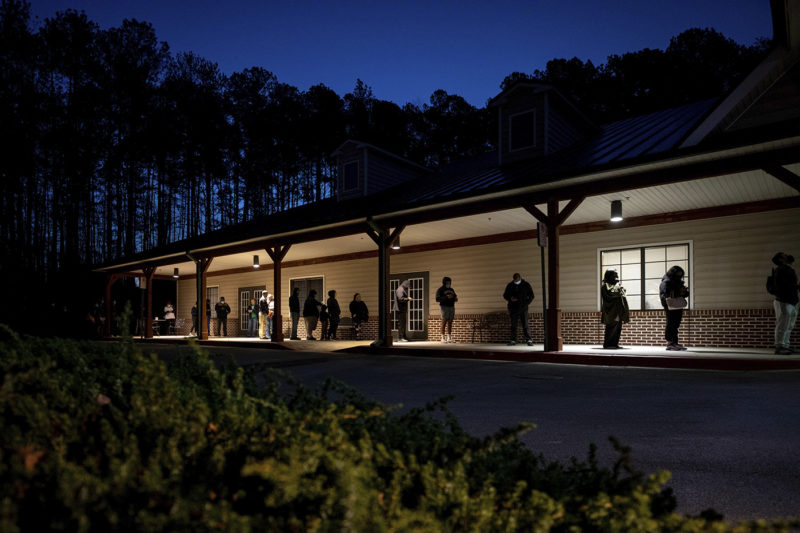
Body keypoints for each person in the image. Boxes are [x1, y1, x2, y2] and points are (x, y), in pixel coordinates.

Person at [771, 252, 798, 355]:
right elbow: (782, 286)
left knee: (788, 325)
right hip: (783, 301)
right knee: (782, 324)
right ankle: (779, 346)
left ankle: (785, 345)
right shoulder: (780, 270)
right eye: (784, 255)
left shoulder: (788, 269)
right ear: (781, 260)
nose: (787, 255)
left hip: (791, 301)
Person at [659, 266, 689, 351]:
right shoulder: (666, 282)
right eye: (678, 274)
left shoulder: (679, 282)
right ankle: (670, 343)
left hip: (678, 305)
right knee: (671, 323)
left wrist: (684, 291)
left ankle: (675, 342)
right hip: (670, 305)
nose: (679, 276)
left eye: (681, 275)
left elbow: (684, 295)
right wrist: (678, 292)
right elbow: (664, 295)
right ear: (673, 273)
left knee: (676, 323)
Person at [600, 270, 630, 349]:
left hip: (619, 311)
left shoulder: (617, 286)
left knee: (618, 328)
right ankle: (608, 344)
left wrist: (620, 289)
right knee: (611, 328)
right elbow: (608, 297)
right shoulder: (604, 286)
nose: (616, 278)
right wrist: (618, 292)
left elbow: (623, 294)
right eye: (614, 276)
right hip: (610, 311)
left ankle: (614, 344)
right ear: (609, 276)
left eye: (617, 276)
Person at [503, 273, 534, 346]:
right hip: (513, 308)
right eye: (515, 280)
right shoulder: (510, 285)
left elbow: (531, 296)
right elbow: (505, 295)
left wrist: (526, 303)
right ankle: (513, 340)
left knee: (525, 324)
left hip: (523, 308)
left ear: (520, 278)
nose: (516, 281)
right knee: (513, 325)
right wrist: (510, 299)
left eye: (517, 280)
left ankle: (529, 340)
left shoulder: (526, 285)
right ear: (513, 279)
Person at [435, 276, 458, 343]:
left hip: (451, 307)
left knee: (450, 322)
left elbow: (455, 296)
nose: (449, 283)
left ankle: (449, 338)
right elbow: (437, 299)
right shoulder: (440, 289)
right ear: (444, 282)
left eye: (449, 282)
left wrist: (455, 298)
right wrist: (447, 297)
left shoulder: (452, 289)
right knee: (444, 321)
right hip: (444, 307)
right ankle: (442, 338)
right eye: (447, 282)